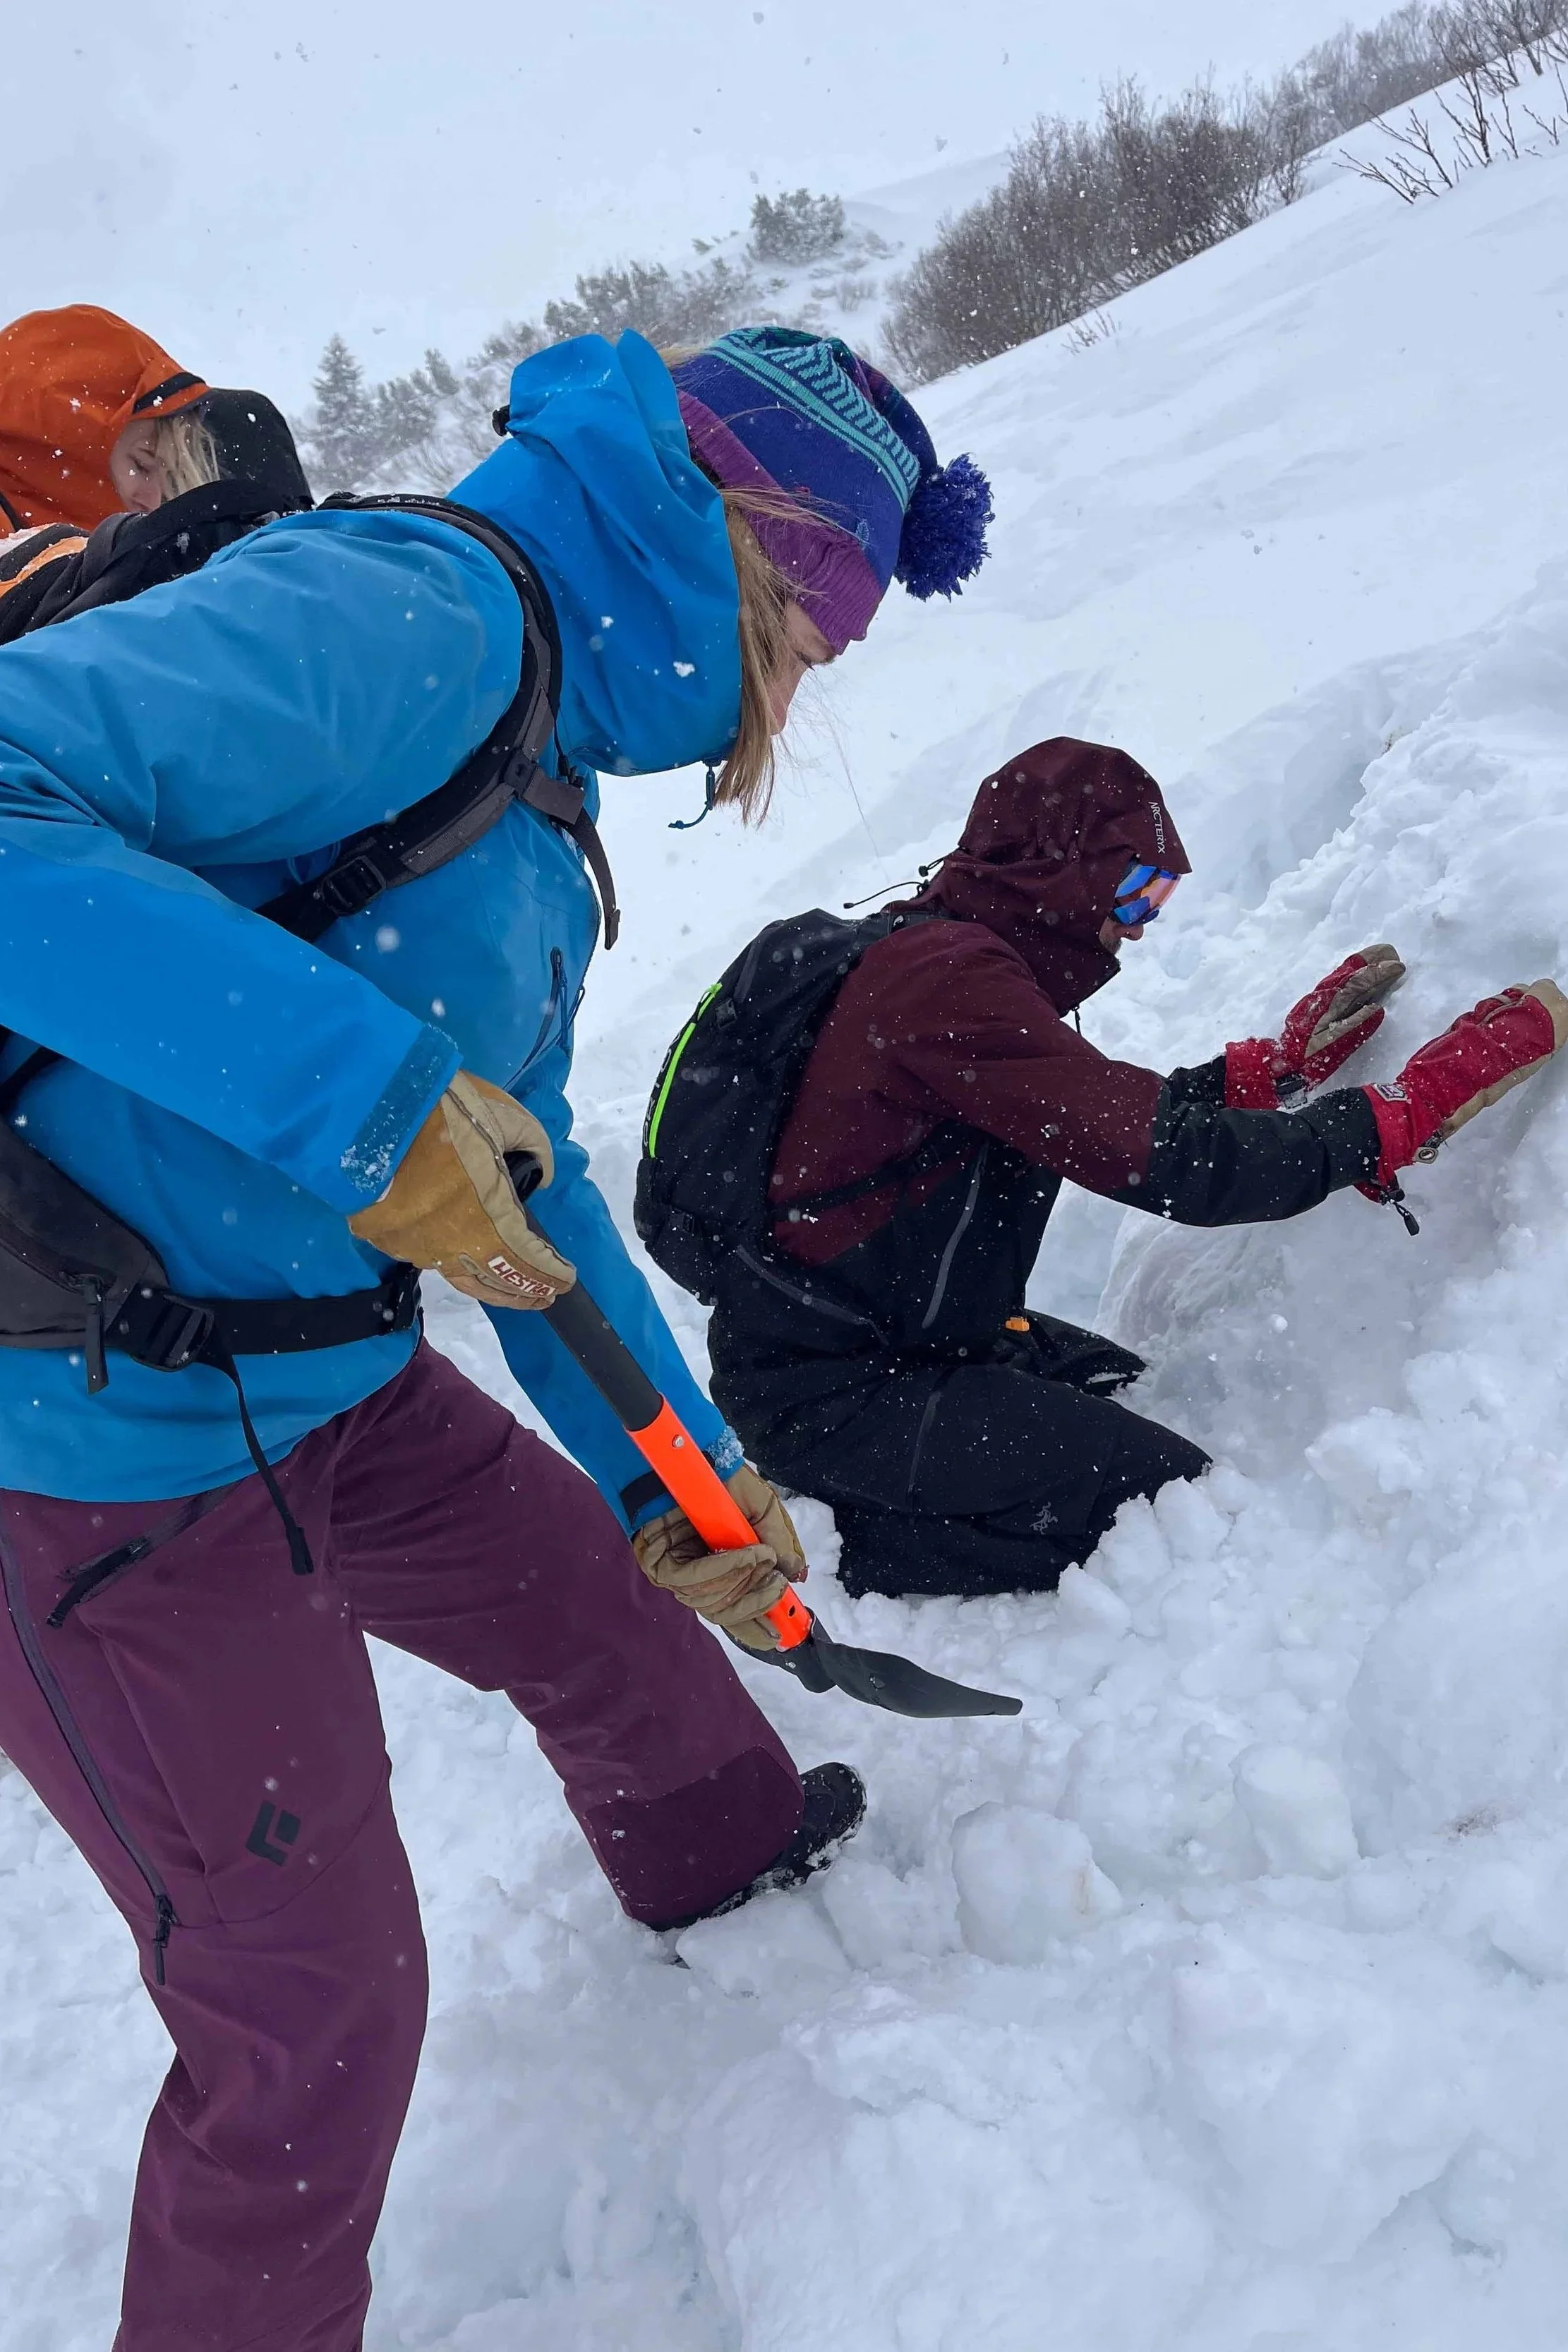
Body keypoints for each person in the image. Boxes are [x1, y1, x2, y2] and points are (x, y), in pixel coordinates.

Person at [0, 323, 988, 2351]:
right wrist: (356, 1098)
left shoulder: (530, 783)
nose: (815, 669)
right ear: (739, 523)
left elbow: (520, 1201)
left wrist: (689, 1486)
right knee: (314, 2000)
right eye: (823, 609)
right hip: (91, 1442)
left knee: (604, 1618)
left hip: (325, 1380)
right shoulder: (414, 613)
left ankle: (734, 1866)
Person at [639, 737, 1567, 1601]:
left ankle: (866, 1477)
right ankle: (839, 1537)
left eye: (1156, 900)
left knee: (1121, 1382)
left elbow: (1084, 1113)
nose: (1138, 928)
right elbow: (1176, 1168)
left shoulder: (936, 952)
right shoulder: (946, 981)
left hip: (891, 1340)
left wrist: (1262, 1075)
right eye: (1132, 893)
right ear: (1058, 873)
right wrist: (1392, 1120)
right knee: (1165, 1508)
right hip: (837, 1386)